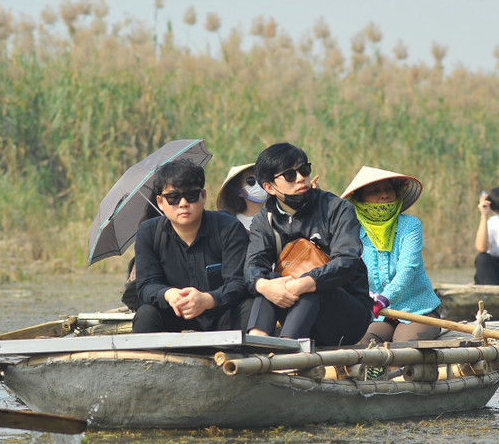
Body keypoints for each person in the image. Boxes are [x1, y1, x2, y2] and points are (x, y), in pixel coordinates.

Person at [245, 143, 370, 346]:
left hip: (346, 316)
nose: (300, 178)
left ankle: (287, 354)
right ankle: (258, 345)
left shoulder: (337, 209)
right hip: (296, 310)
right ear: (269, 187)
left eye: (303, 170)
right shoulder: (263, 220)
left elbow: (347, 261)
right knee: (269, 283)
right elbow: (252, 267)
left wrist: (302, 283)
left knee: (312, 284)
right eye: (289, 175)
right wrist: (264, 285)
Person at [133, 159, 252, 333]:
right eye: (173, 197)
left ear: (203, 196)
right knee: (145, 314)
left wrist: (207, 299)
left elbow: (239, 283)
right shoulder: (148, 232)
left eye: (191, 196)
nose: (183, 204)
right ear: (160, 202)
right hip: (173, 317)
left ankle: (243, 357)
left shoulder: (229, 227)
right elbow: (146, 285)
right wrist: (168, 294)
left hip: (221, 317)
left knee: (249, 307)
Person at [341, 166, 442, 344]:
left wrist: (383, 299)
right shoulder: (352, 232)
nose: (384, 195)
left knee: (402, 348)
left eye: (389, 189)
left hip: (417, 311)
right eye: (375, 191)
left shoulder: (410, 226)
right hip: (379, 316)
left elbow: (407, 270)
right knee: (361, 346)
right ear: (360, 200)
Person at [215, 162, 268, 231]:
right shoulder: (231, 224)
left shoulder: (279, 218)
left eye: (261, 178)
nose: (258, 184)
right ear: (239, 191)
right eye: (251, 180)